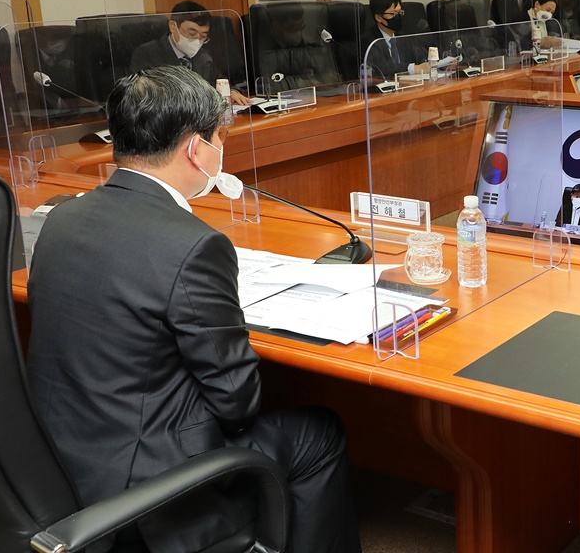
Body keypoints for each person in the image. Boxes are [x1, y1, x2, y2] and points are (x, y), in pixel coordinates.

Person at [26, 65, 362, 553]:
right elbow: (238, 403)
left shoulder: (62, 218)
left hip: (59, 465)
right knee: (319, 432)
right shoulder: (194, 245)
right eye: (220, 136)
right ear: (195, 148)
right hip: (150, 492)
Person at [130, 0, 249, 105]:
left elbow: (218, 81)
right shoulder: (147, 53)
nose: (197, 41)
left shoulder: (202, 55)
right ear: (173, 27)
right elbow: (143, 97)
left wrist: (231, 92)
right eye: (191, 34)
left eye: (203, 36)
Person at [257, 2, 341, 91]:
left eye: (301, 26)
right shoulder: (264, 46)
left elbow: (309, 69)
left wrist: (324, 78)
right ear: (276, 27)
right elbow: (269, 84)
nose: (299, 32)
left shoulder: (304, 42)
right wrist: (305, 83)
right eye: (293, 27)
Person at [364, 0, 430, 78]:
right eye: (393, 13)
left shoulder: (402, 36)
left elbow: (421, 57)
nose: (398, 17)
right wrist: (413, 68)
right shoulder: (370, 40)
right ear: (379, 17)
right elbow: (381, 68)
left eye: (400, 12)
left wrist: (436, 64)